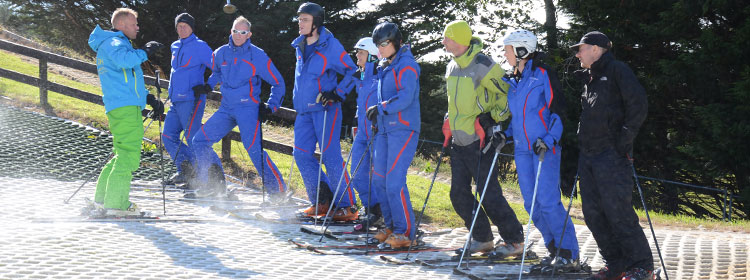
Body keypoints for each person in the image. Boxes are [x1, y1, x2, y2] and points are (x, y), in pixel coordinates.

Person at [571, 31, 652, 280]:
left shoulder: (618, 70)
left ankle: (642, 267)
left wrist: (623, 141)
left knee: (617, 211)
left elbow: (638, 104)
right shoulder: (590, 77)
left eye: (581, 48)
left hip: (612, 155)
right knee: (593, 213)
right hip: (589, 155)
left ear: (596, 49)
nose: (577, 54)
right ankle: (616, 264)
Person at [440, 20, 525, 256]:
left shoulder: (483, 64)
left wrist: (492, 118)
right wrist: (449, 117)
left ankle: (515, 240)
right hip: (459, 139)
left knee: (488, 193)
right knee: (458, 193)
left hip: (480, 139)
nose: (444, 42)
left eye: (447, 37)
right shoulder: (452, 66)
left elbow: (508, 94)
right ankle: (482, 239)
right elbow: (456, 102)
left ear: (458, 38)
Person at [500, 29, 580, 270]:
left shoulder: (544, 74)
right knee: (530, 204)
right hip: (523, 149)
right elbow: (518, 119)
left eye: (508, 49)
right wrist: (504, 134)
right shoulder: (514, 81)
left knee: (547, 201)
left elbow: (558, 111)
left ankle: (569, 252)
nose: (505, 54)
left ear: (521, 50)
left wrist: (549, 139)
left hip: (544, 147)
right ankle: (555, 249)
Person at [190, 16, 287, 199]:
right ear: (231, 31)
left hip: (248, 109)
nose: (238, 35)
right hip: (226, 108)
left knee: (253, 150)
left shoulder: (257, 55)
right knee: (200, 141)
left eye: (242, 32)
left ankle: (278, 191)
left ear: (249, 34)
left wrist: (271, 106)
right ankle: (214, 183)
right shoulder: (221, 52)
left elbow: (278, 83)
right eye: (235, 31)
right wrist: (208, 85)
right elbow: (217, 72)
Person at [87, 8, 165, 216]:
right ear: (121, 25)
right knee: (129, 157)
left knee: (121, 155)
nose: (138, 28)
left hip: (123, 104)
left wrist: (148, 98)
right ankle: (117, 205)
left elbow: (131, 78)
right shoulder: (115, 43)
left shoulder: (117, 44)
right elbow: (125, 61)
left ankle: (103, 200)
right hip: (124, 107)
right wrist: (145, 52)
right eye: (134, 24)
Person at [291, 2, 359, 221]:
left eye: (305, 19)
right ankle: (321, 200)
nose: (300, 23)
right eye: (299, 19)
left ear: (316, 23)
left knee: (330, 157)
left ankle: (348, 206)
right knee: (301, 154)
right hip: (303, 111)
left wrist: (338, 92)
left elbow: (352, 71)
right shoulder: (299, 45)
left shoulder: (330, 45)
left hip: (325, 110)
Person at [365, 22, 420, 248]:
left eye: (385, 43)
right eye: (378, 45)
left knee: (394, 182)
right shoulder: (386, 64)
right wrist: (379, 117)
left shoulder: (407, 65)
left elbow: (405, 97)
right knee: (379, 179)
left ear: (396, 42)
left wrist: (381, 108)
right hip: (386, 129)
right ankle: (390, 226)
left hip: (403, 128)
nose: (381, 48)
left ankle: (405, 232)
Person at [162, 13, 218, 187]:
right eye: (179, 25)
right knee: (168, 136)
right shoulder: (175, 46)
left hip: (192, 100)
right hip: (175, 100)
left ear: (192, 27)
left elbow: (219, 68)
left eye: (185, 25)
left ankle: (210, 178)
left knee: (193, 138)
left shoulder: (200, 46)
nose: (182, 28)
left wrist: (209, 86)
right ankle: (187, 170)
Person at [350, 37, 382, 224]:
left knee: (380, 175)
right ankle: (372, 208)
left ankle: (386, 213)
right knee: (357, 174)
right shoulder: (361, 77)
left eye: (361, 52)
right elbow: (361, 103)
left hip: (377, 132)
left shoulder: (380, 76)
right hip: (362, 133)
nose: (357, 55)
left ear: (371, 56)